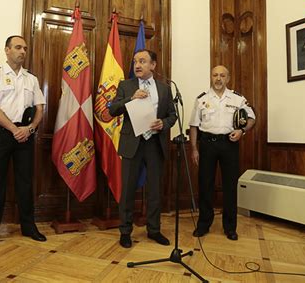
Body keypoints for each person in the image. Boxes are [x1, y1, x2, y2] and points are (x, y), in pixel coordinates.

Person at [0, 35, 46, 248]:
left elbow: (40, 108)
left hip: (25, 134)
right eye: (18, 47)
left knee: (25, 183)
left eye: (25, 48)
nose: (22, 51)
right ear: (7, 50)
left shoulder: (31, 79)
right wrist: (13, 129)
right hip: (2, 134)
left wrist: (30, 128)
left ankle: (29, 227)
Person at [109, 49, 177, 248]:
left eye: (142, 61)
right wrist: (131, 98)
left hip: (155, 144)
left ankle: (154, 230)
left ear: (153, 65)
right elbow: (112, 110)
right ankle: (125, 231)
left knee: (155, 190)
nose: (137, 65)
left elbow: (172, 115)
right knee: (128, 190)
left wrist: (163, 124)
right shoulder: (126, 85)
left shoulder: (164, 88)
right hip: (133, 143)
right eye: (135, 61)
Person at [189, 65, 255, 241]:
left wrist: (242, 131)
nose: (218, 78)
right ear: (211, 77)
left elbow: (251, 118)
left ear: (228, 78)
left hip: (229, 144)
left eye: (222, 75)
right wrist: (194, 149)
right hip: (207, 145)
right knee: (205, 185)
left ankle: (230, 227)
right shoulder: (201, 99)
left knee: (230, 187)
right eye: (215, 75)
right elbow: (194, 125)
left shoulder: (237, 98)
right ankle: (203, 224)